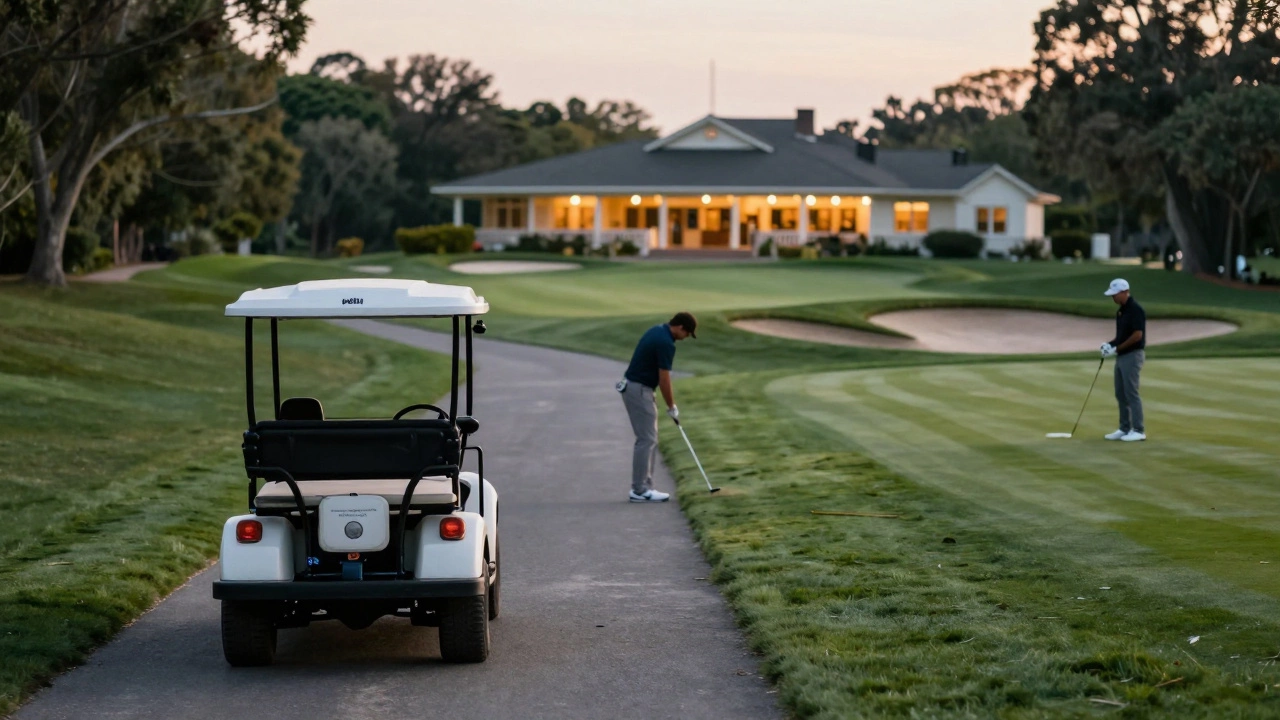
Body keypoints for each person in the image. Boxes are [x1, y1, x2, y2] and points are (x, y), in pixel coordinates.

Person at [617, 312, 697, 502]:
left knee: (649, 438)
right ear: (680, 328)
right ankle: (639, 490)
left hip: (636, 387)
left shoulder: (658, 330)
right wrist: (672, 406)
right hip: (639, 389)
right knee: (646, 439)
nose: (685, 338)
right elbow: (664, 378)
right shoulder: (666, 343)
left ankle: (645, 487)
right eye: (687, 334)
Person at [1100, 278, 1146, 442]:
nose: (1113, 298)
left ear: (1124, 292)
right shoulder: (1121, 311)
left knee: (1131, 392)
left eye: (1115, 294)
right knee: (1120, 393)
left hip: (1133, 356)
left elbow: (1137, 335)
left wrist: (1117, 348)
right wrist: (1109, 345)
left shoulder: (1135, 309)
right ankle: (1124, 428)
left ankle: (1139, 430)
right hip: (1122, 356)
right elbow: (1121, 337)